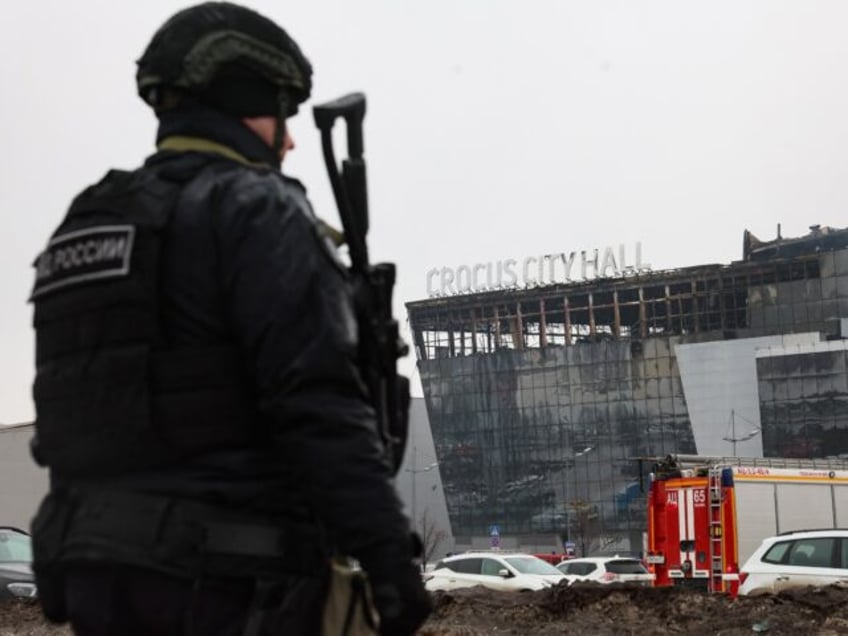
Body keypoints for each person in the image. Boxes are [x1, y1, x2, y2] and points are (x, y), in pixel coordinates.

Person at [27, 3, 432, 635]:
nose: (291, 140)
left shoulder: (87, 221)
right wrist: (388, 557)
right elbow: (318, 402)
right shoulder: (254, 208)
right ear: (245, 102)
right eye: (284, 114)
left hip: (98, 581)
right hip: (227, 581)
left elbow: (68, 417)